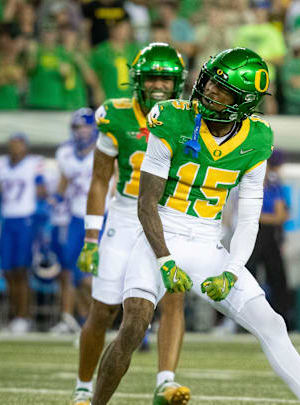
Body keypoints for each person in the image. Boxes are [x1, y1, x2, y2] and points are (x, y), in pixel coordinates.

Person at [89, 47, 300, 405]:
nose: (209, 91)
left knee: (271, 323)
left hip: (207, 243)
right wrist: (164, 259)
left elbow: (248, 215)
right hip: (160, 234)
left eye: (222, 89)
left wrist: (231, 269)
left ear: (243, 100)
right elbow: (146, 204)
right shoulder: (170, 118)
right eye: (210, 81)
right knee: (134, 323)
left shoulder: (257, 138)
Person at [72, 43, 191, 405]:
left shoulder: (188, 116)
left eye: (167, 79)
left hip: (168, 214)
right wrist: (91, 237)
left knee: (173, 297)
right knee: (104, 309)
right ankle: (82, 386)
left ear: (178, 83)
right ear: (138, 80)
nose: (159, 85)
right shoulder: (115, 115)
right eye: (153, 76)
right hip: (124, 215)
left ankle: (166, 381)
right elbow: (98, 179)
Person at [51, 109, 99, 335]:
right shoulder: (65, 152)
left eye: (86, 127)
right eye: (78, 128)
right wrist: (56, 200)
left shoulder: (104, 148)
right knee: (71, 272)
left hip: (100, 217)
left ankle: (101, 320)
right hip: (74, 217)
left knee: (95, 275)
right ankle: (76, 319)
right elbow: (64, 182)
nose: (81, 132)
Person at [0, 132, 46, 334]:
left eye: (18, 143)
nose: (15, 147)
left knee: (21, 270)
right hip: (7, 219)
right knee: (7, 271)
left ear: (25, 145)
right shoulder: (0, 164)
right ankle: (14, 315)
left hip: (26, 219)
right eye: (12, 143)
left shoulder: (34, 163)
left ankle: (23, 317)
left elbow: (42, 190)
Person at [246, 149, 291, 324]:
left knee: (276, 276)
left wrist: (256, 216)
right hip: (252, 231)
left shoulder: (273, 185)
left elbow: (281, 215)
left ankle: (282, 317)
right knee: (247, 276)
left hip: (265, 232)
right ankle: (245, 319)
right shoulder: (248, 181)